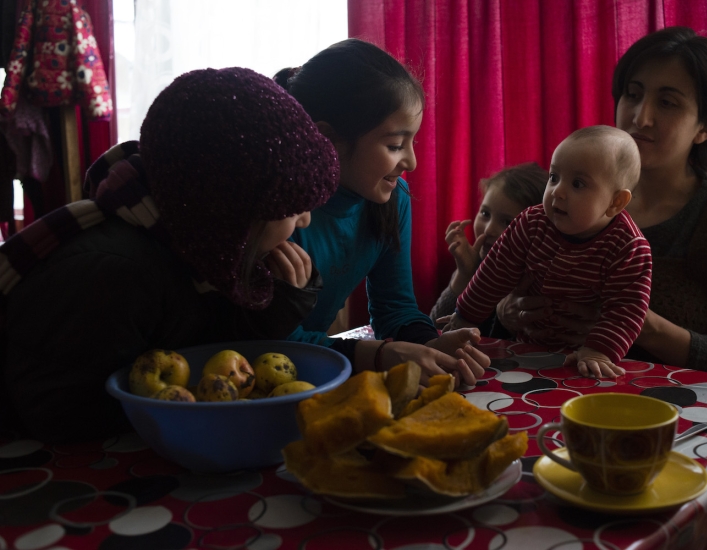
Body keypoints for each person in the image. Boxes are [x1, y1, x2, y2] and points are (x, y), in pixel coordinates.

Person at [0, 67, 340, 441]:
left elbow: (211, 344)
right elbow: (61, 413)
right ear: (227, 207)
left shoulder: (197, 249)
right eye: (291, 207)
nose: (305, 221)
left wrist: (280, 305)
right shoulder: (114, 273)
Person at [496, 26, 707, 381]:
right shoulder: (562, 197)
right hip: (545, 393)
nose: (640, 118)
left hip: (676, 414)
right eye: (632, 95)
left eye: (667, 102)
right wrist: (505, 312)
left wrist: (643, 326)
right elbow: (459, 311)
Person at [275, 38, 489, 385]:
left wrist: (429, 343)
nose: (411, 162)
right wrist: (377, 355)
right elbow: (269, 343)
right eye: (394, 145)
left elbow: (395, 307)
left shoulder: (391, 198)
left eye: (412, 142)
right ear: (326, 139)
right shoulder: (281, 215)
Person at [444, 126, 652, 379]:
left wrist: (598, 351)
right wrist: (465, 317)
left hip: (585, 356)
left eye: (578, 184)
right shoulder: (531, 223)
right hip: (526, 347)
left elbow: (626, 308)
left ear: (615, 202)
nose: (558, 191)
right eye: (554, 177)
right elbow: (494, 273)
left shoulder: (629, 247)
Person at [429, 162, 548, 336]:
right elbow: (433, 331)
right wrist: (464, 275)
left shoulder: (539, 277)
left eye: (507, 222)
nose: (488, 230)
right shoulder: (476, 264)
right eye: (485, 214)